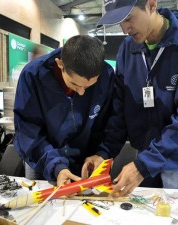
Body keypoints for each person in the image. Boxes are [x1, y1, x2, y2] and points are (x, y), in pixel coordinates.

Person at [83, 0, 178, 195]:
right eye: (119, 22)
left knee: (176, 218)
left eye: (128, 18)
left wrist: (143, 166)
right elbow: (119, 110)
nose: (124, 29)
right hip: (145, 152)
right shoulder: (127, 49)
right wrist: (104, 153)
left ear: (151, 5)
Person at [13, 35, 114, 186]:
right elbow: (28, 131)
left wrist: (101, 153)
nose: (81, 93)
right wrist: (56, 166)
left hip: (88, 164)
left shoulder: (106, 75)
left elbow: (111, 122)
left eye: (89, 86)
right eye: (74, 84)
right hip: (44, 162)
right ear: (60, 64)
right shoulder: (32, 75)